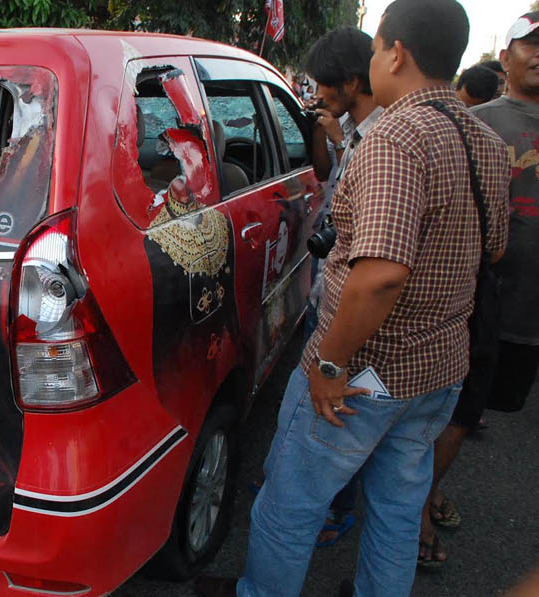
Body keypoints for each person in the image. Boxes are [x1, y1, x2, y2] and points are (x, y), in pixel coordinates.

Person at [195, 1, 510, 596]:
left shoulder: (395, 136)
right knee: (395, 511)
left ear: (396, 52)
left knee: (289, 505)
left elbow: (381, 274)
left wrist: (330, 365)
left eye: (376, 49)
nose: (372, 60)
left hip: (365, 373)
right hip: (438, 368)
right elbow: (493, 250)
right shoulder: (484, 139)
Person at [418, 10, 539, 568]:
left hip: (530, 310)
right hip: (478, 299)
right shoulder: (476, 123)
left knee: (481, 411)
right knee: (455, 410)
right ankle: (414, 506)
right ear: (505, 57)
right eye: (530, 43)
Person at [303, 26, 384, 547]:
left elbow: (379, 271)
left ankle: (331, 509)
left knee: (336, 422)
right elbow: (320, 173)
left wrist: (330, 361)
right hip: (327, 298)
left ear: (351, 81)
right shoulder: (353, 130)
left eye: (324, 86)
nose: (318, 95)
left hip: (347, 318)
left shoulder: (383, 142)